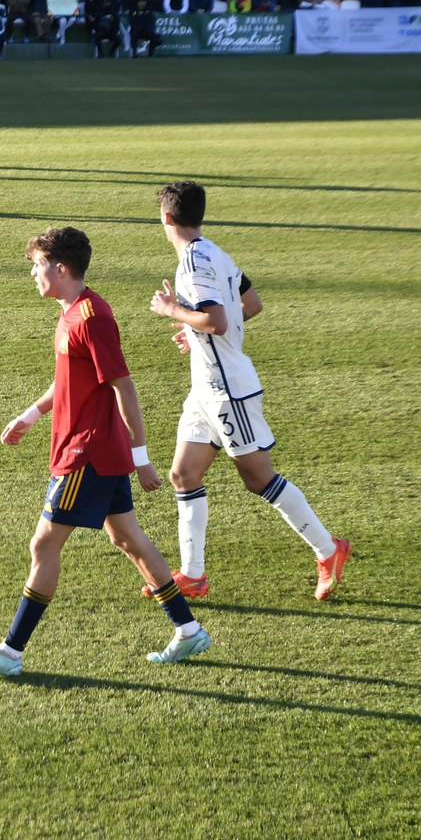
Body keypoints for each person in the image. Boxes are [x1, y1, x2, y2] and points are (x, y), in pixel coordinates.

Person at [0, 226, 208, 677]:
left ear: (60, 268)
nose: (32, 273)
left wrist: (141, 458)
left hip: (85, 453)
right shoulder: (72, 311)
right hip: (93, 449)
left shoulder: (91, 317)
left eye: (37, 265)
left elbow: (123, 387)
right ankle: (188, 630)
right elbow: (72, 378)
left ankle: (10, 652)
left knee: (44, 543)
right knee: (127, 538)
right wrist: (31, 415)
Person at [148, 182, 351, 601]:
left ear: (166, 218)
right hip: (204, 389)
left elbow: (217, 321)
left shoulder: (193, 262)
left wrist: (175, 311)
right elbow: (251, 304)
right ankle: (193, 575)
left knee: (259, 478)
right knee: (183, 474)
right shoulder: (215, 251)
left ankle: (329, 550)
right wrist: (194, 332)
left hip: (228, 390)